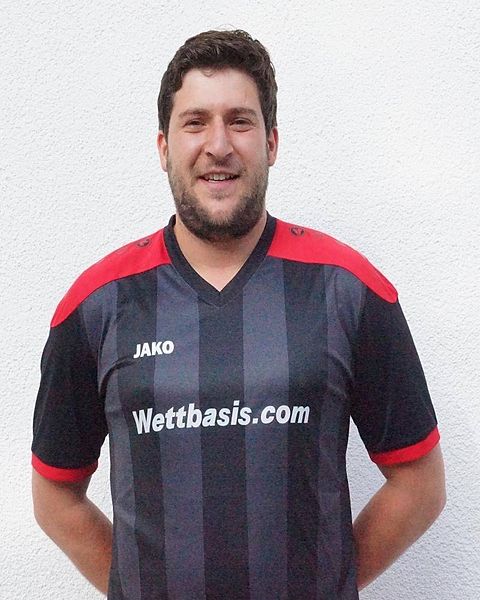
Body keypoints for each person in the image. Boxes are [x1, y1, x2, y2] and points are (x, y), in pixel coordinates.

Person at [31, 29, 446, 599]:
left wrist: (327, 585)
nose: (218, 145)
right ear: (163, 147)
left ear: (271, 142)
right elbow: (54, 494)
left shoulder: (349, 289)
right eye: (195, 122)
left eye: (241, 121)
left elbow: (420, 483)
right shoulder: (96, 303)